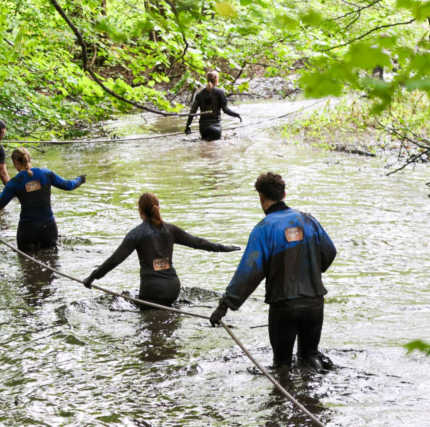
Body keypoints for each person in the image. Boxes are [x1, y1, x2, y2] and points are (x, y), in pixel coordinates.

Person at [210, 172, 337, 369]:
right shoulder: (308, 221)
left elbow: (248, 274)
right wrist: (311, 273)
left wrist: (225, 305)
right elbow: (329, 252)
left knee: (282, 366)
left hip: (284, 308)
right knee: (310, 359)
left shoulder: (264, 229)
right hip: (315, 304)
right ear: (284, 194)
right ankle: (311, 399)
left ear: (261, 198)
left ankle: (282, 398)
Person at [82, 193, 240, 308]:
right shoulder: (170, 229)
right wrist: (225, 248)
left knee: (148, 329)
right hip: (173, 288)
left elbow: (115, 260)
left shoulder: (137, 233)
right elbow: (198, 242)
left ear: (140, 211)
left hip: (151, 291)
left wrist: (92, 277)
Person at [0, 147, 85, 251]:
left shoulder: (14, 183)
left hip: (28, 230)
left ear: (15, 162)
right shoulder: (46, 174)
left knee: (26, 267)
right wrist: (80, 179)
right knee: (51, 264)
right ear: (29, 158)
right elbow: (69, 185)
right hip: (49, 228)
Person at [185, 71, 241, 141]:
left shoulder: (199, 94)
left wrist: (188, 126)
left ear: (207, 79)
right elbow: (225, 110)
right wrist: (236, 115)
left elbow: (192, 111)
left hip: (203, 128)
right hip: (216, 127)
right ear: (216, 80)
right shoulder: (220, 92)